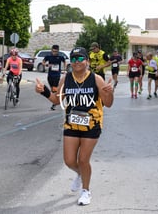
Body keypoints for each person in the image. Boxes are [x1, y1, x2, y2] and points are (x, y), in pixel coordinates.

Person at [35, 47, 114, 206]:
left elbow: (109, 104)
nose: (77, 62)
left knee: (83, 160)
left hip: (92, 124)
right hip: (72, 123)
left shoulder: (96, 79)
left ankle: (86, 190)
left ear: (87, 61)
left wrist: (109, 92)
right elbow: (57, 101)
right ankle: (80, 174)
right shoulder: (66, 79)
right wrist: (44, 91)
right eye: (74, 59)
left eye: (80, 59)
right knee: (69, 160)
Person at [42, 44, 66, 110]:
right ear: (51, 50)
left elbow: (64, 62)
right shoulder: (48, 56)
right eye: (53, 51)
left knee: (54, 88)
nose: (54, 53)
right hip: (50, 75)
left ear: (58, 51)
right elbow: (43, 62)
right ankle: (57, 97)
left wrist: (64, 69)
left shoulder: (60, 57)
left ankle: (54, 103)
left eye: (55, 51)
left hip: (57, 75)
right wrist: (47, 65)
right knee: (52, 89)